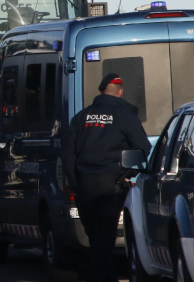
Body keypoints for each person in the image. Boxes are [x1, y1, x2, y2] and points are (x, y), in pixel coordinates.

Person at [61, 73, 151, 282]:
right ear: (120, 93)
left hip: (84, 184)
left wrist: (74, 183)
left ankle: (104, 277)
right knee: (105, 236)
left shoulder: (81, 117)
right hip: (113, 184)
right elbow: (143, 149)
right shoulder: (126, 117)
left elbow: (68, 153)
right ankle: (99, 276)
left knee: (95, 236)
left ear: (101, 92)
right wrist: (129, 175)